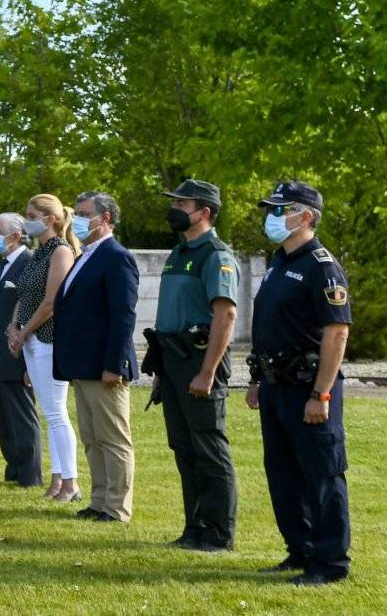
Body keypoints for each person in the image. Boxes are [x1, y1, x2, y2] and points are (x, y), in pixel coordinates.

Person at [247, 181, 351, 586]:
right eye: (271, 209)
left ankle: (330, 563)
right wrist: (258, 379)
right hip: (276, 385)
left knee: (322, 474)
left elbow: (336, 333)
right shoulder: (277, 261)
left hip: (309, 387)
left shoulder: (321, 265)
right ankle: (300, 550)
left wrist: (321, 393)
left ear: (304, 216)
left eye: (280, 210)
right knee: (284, 474)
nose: (271, 217)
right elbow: (269, 326)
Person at [151, 178, 241, 553]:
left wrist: (207, 371)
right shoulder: (178, 252)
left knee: (208, 447)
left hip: (199, 362)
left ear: (203, 212)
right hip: (172, 362)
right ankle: (195, 526)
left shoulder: (215, 255)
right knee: (184, 447)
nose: (175, 209)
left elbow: (226, 315)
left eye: (182, 204)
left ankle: (219, 533)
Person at [52, 189, 139, 523]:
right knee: (92, 437)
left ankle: (117, 507)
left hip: (104, 366)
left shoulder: (116, 256)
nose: (79, 218)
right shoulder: (85, 255)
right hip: (83, 364)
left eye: (86, 213)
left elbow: (122, 315)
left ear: (105, 218)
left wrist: (114, 364)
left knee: (113, 438)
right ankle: (99, 500)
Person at [7, 192, 81, 503]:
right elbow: (24, 295)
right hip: (32, 339)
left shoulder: (60, 251)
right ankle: (57, 478)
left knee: (55, 412)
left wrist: (24, 332)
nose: (27, 221)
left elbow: (51, 303)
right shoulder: (39, 253)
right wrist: (13, 326)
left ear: (50, 219)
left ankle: (70, 482)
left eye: (32, 216)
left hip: (48, 337)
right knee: (48, 411)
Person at [0, 212, 41, 488]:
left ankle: (30, 474)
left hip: (15, 354)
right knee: (2, 417)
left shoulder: (28, 264)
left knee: (21, 416)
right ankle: (13, 467)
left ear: (15, 235)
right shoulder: (3, 264)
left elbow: (30, 309)